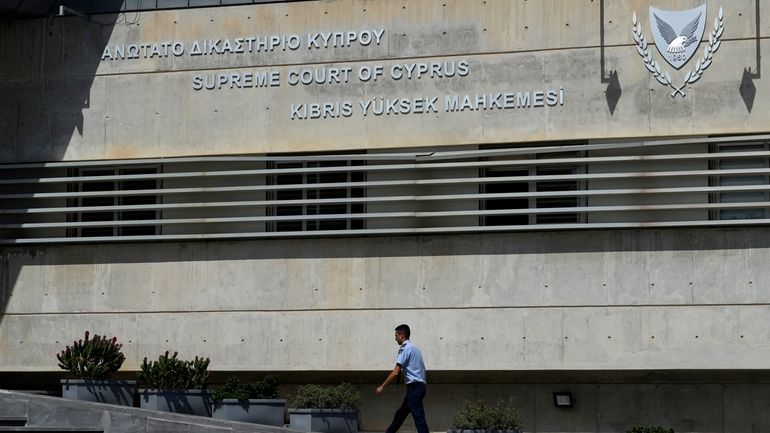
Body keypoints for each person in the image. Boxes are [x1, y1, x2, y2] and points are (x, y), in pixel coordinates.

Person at [376, 324, 429, 433]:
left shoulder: (404, 349)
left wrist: (382, 386)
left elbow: (396, 372)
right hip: (420, 387)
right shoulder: (416, 350)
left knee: (419, 418)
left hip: (414, 388)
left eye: (396, 335)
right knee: (401, 414)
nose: (395, 338)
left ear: (402, 335)